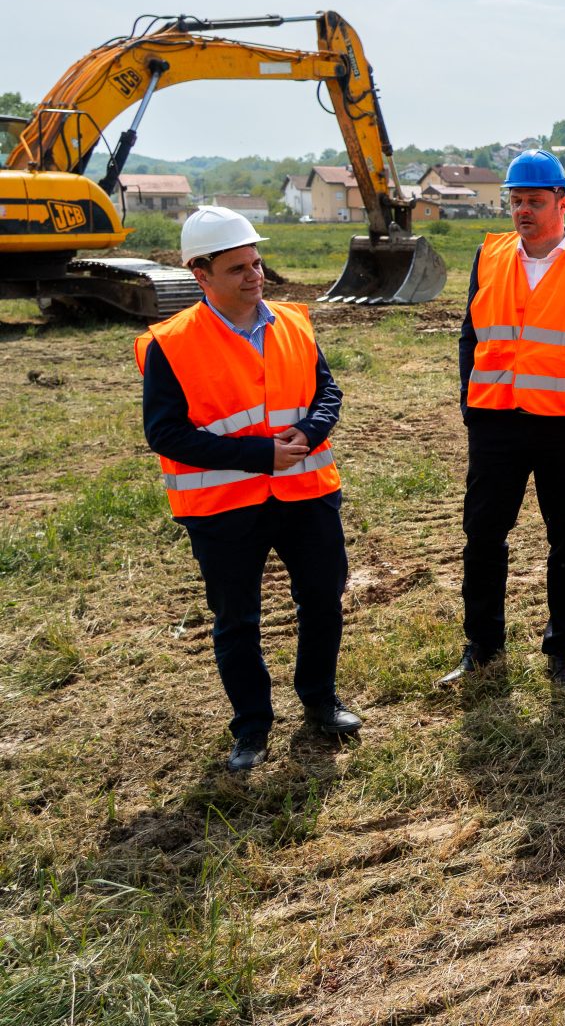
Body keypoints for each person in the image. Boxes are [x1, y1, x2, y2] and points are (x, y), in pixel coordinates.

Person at [137, 206, 358, 772]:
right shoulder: (171, 343)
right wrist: (260, 455)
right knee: (237, 620)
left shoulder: (295, 322)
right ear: (201, 274)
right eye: (237, 268)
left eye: (256, 263)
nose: (254, 276)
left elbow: (327, 393)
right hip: (223, 508)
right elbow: (165, 434)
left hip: (307, 494)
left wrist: (310, 431)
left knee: (322, 600)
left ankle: (321, 701)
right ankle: (252, 727)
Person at [441, 149, 565, 689]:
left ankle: (562, 650)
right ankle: (482, 645)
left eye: (534, 201)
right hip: (496, 421)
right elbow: (471, 333)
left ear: (562, 202)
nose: (522, 210)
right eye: (516, 201)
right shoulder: (490, 255)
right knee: (483, 536)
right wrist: (470, 402)